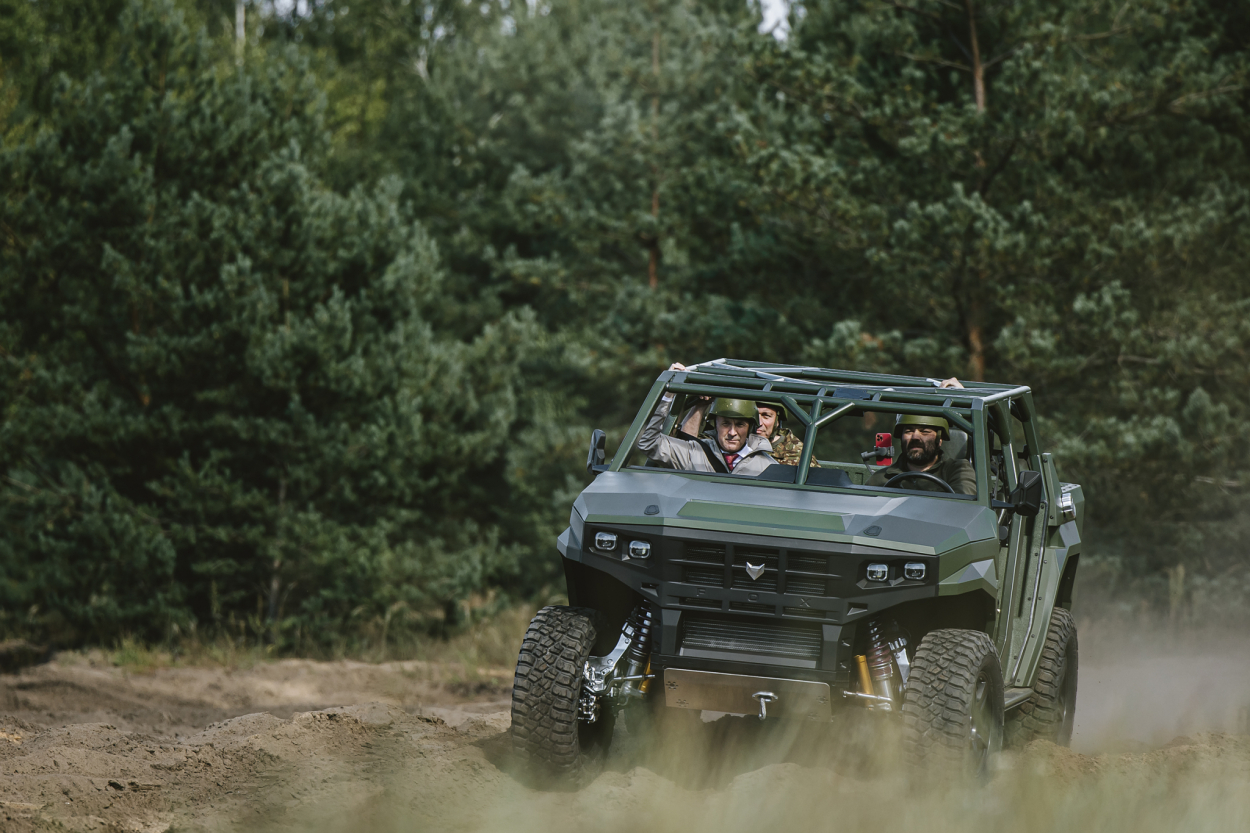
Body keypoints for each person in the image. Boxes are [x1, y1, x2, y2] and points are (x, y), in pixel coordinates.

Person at [637, 363, 776, 475]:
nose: (732, 432)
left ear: (750, 427)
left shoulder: (768, 466)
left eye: (740, 425)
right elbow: (648, 443)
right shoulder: (694, 453)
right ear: (715, 424)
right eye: (725, 423)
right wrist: (669, 393)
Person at [866, 414, 976, 495]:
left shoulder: (957, 471)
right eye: (908, 431)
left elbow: (963, 506)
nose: (915, 437)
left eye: (925, 431)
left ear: (939, 439)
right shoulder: (882, 478)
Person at [754, 402, 818, 467]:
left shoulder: (799, 456)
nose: (759, 423)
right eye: (754, 415)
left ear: (777, 421)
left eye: (766, 416)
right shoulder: (744, 443)